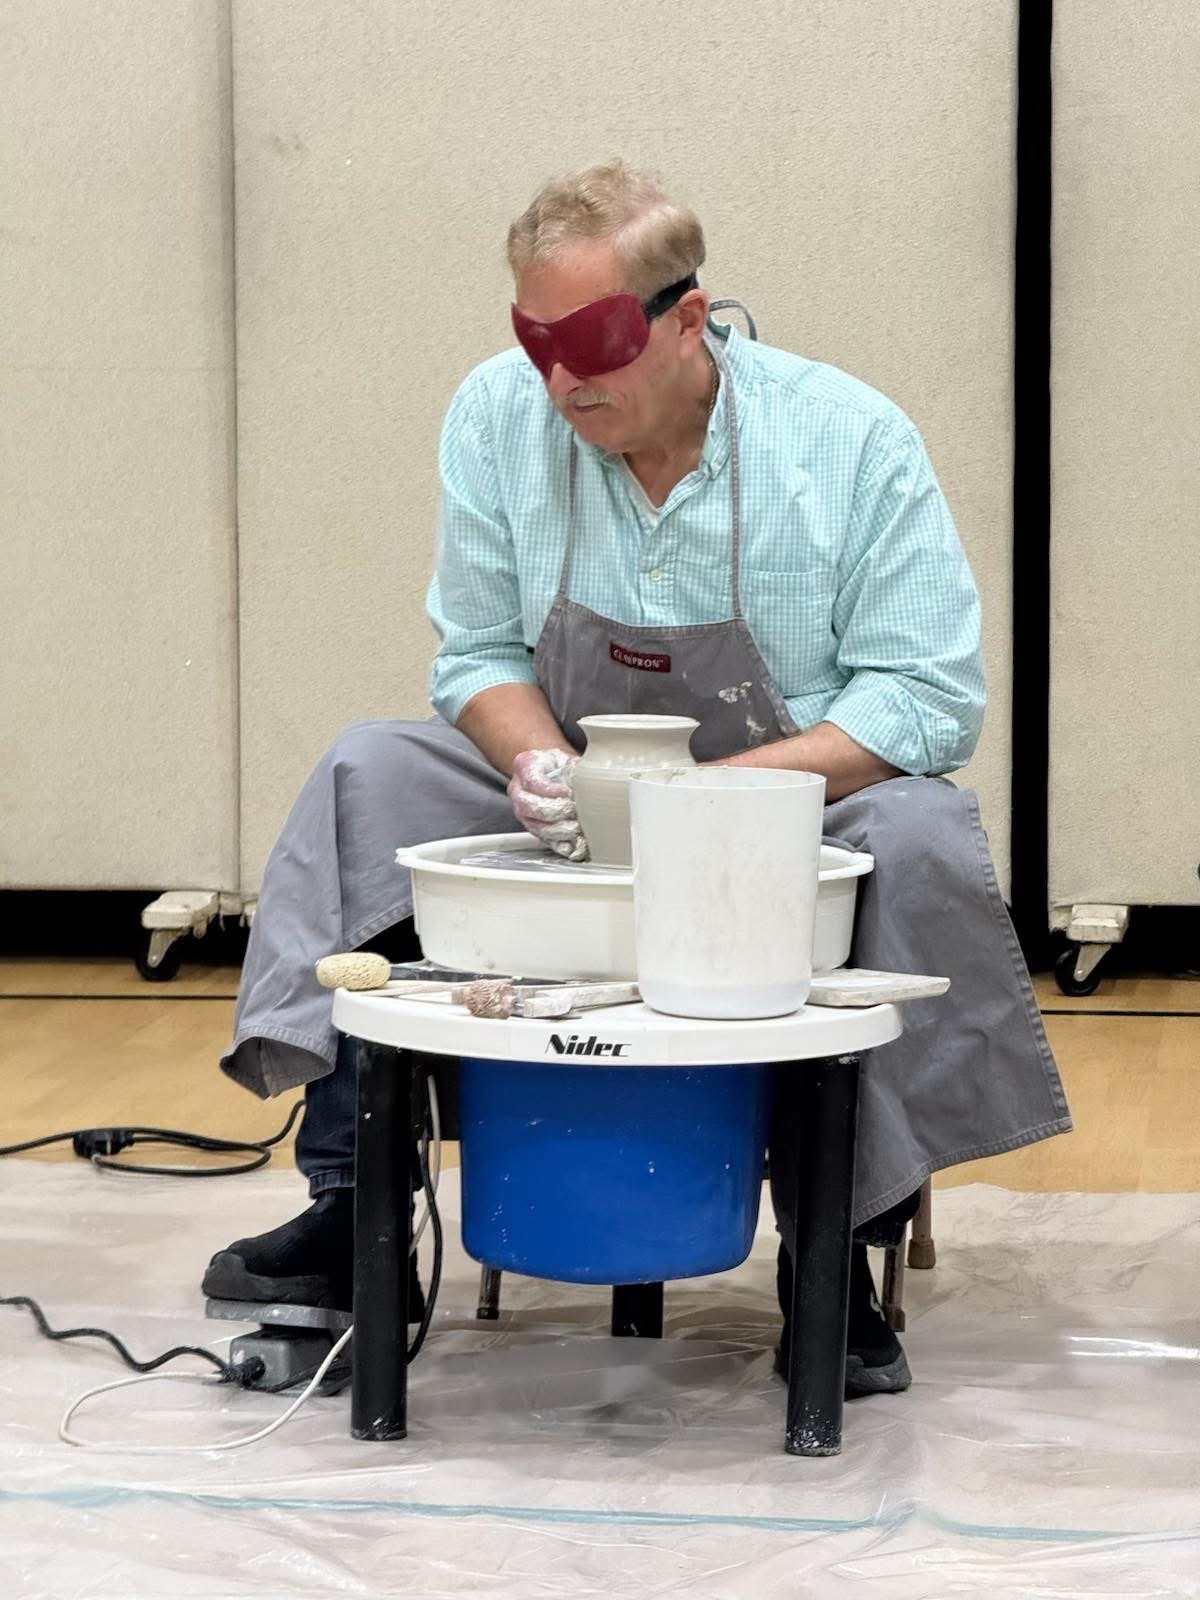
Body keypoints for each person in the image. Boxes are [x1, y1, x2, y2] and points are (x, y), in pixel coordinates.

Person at [203, 160, 1070, 1396]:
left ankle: (836, 1257)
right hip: (574, 788)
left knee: (925, 837)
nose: (561, 378)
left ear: (687, 317)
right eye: (535, 338)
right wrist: (539, 758)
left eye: (595, 341)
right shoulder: (500, 415)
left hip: (792, 796)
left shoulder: (850, 439)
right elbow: (482, 650)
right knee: (367, 770)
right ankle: (354, 1211)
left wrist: (718, 801)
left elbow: (927, 696)